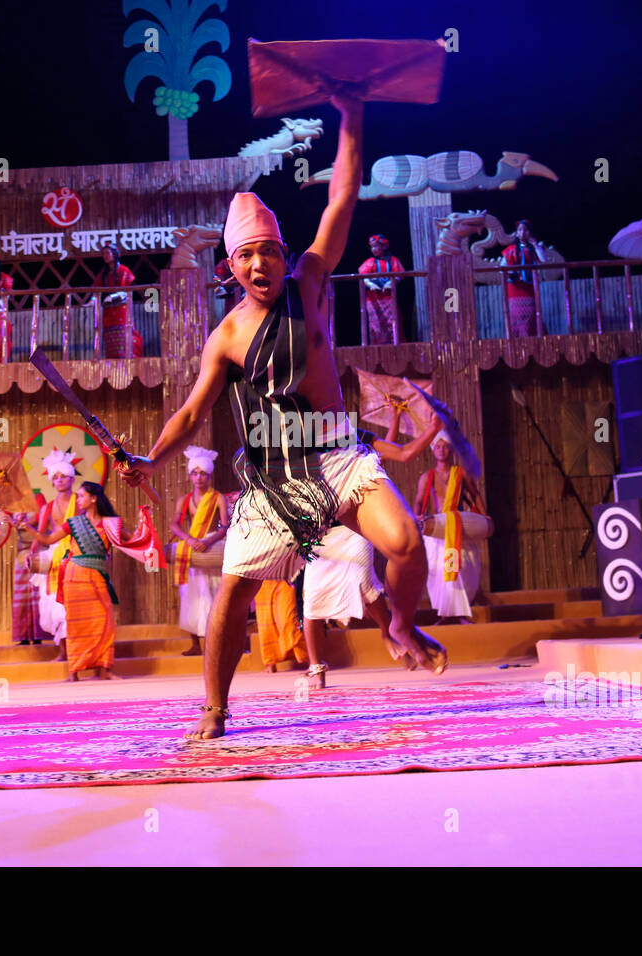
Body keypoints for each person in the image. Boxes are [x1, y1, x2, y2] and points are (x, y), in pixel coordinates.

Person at [120, 94, 446, 740]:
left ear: (282, 250)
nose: (261, 264)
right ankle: (215, 708)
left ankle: (401, 623)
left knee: (406, 546)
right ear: (231, 267)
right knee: (234, 596)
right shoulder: (228, 336)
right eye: (247, 256)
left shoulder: (311, 283)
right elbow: (191, 412)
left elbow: (342, 199)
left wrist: (351, 113)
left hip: (336, 454)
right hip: (273, 475)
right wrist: (152, 459)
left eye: (269, 250)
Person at [302, 405, 443, 685]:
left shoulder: (353, 437)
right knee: (313, 596)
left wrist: (433, 428)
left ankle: (390, 632)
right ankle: (316, 666)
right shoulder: (298, 442)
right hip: (321, 532)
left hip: (354, 528)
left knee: (364, 581)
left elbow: (398, 453)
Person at [17, 482, 124, 680]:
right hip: (74, 577)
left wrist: (145, 524)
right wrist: (27, 528)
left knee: (105, 623)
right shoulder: (74, 523)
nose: (79, 499)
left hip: (98, 576)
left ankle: (105, 669)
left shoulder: (110, 523)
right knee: (76, 624)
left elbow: (130, 541)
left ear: (93, 499)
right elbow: (48, 540)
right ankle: (74, 672)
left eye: (82, 496)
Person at [415, 435, 486, 624]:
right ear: (432, 450)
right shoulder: (427, 477)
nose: (441, 450)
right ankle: (445, 615)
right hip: (437, 530)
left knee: (461, 572)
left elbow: (475, 495)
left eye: (445, 446)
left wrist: (484, 517)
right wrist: (417, 519)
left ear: (451, 449)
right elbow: (419, 501)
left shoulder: (461, 474)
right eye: (437, 447)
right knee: (439, 573)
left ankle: (461, 614)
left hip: (458, 529)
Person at [14, 449, 76, 652]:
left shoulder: (82, 502)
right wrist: (32, 553)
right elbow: (41, 535)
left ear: (71, 478)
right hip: (56, 557)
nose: (59, 481)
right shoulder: (47, 507)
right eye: (55, 477)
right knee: (55, 607)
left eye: (63, 476)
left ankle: (80, 652)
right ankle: (63, 652)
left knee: (74, 606)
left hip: (79, 555)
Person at [170, 446, 228, 656]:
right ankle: (195, 644)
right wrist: (189, 539)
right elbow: (174, 524)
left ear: (209, 475)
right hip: (192, 551)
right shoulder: (184, 500)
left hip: (212, 551)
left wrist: (209, 540)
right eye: (194, 473)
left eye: (202, 473)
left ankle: (216, 644)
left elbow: (225, 526)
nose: (198, 477)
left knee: (213, 596)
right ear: (190, 475)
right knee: (191, 597)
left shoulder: (218, 497)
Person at [358, 233, 405, 345]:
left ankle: (394, 345)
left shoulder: (393, 260)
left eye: (376, 246)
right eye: (372, 247)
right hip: (373, 299)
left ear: (384, 246)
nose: (373, 249)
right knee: (376, 325)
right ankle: (377, 347)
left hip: (389, 298)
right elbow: (362, 277)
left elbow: (400, 275)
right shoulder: (370, 262)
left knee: (391, 322)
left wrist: (391, 282)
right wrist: (369, 283)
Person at [97, 242, 140, 358]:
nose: (105, 256)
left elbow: (128, 290)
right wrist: (91, 301)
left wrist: (113, 296)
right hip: (108, 311)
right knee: (109, 337)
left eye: (107, 253)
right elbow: (95, 289)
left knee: (123, 336)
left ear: (114, 254)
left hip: (121, 309)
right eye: (103, 253)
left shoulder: (123, 270)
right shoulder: (103, 273)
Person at [256, 576, 308, 672]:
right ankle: (271, 661)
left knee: (289, 616)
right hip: (263, 576)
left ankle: (308, 658)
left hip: (287, 575)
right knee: (266, 618)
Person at [503, 220, 541, 337]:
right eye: (520, 230)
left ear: (530, 233)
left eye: (526, 229)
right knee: (516, 316)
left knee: (531, 314)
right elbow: (501, 267)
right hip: (515, 287)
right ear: (516, 233)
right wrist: (511, 273)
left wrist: (535, 245)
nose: (523, 232)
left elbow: (543, 260)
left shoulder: (534, 249)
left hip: (529, 287)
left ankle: (533, 341)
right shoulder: (510, 250)